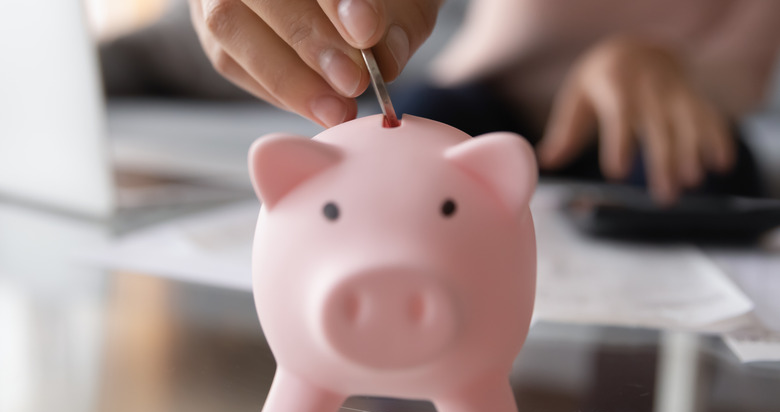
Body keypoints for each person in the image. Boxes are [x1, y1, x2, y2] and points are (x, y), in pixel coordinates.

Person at [187, 0, 780, 204]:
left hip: (667, 123)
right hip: (486, 102)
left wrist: (667, 68)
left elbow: (745, 71)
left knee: (710, 173)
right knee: (416, 136)